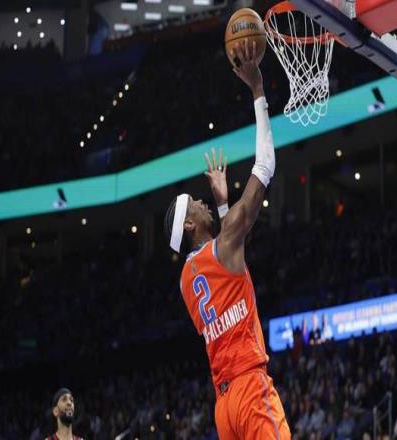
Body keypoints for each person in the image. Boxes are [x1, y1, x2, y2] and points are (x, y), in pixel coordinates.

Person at [164, 39, 290, 439]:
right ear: (189, 225)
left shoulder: (186, 282)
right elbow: (265, 165)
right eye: (196, 204)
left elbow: (224, 261)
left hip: (224, 406)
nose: (202, 201)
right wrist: (258, 89)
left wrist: (222, 205)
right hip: (250, 388)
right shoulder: (226, 243)